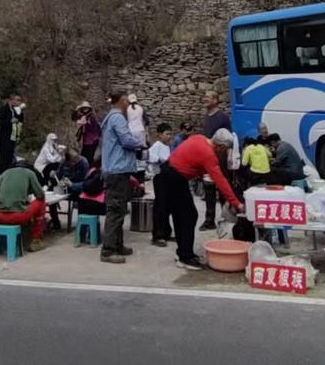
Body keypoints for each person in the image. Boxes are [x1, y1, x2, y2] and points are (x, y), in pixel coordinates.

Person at [155, 129, 242, 271]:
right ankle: (185, 257)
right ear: (220, 146)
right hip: (174, 178)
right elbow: (221, 181)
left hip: (169, 173)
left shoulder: (199, 138)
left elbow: (190, 158)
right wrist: (236, 203)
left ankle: (183, 252)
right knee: (187, 216)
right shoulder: (209, 155)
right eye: (225, 149)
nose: (223, 152)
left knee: (182, 216)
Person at [100, 89, 146, 264]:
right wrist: (141, 144)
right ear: (120, 101)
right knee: (115, 210)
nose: (128, 105)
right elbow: (126, 140)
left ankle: (118, 245)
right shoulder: (118, 118)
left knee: (119, 210)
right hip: (117, 170)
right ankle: (108, 250)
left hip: (117, 169)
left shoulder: (110, 118)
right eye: (126, 101)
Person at [0, 154, 47, 251]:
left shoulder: (5, 173)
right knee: (41, 203)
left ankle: (0, 241)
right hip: (17, 216)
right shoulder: (30, 173)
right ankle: (36, 240)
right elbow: (40, 195)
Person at [199, 91, 232, 230]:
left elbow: (228, 139)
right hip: (207, 157)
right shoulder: (207, 116)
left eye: (208, 97)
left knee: (223, 188)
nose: (205, 99)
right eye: (205, 96)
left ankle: (226, 218)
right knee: (208, 188)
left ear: (215, 100)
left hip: (220, 158)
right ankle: (209, 220)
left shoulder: (222, 117)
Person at [0, 93, 24, 171]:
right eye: (17, 100)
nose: (19, 102)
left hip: (13, 136)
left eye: (20, 101)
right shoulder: (3, 110)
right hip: (5, 137)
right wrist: (10, 121)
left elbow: (20, 121)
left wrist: (20, 112)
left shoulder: (15, 111)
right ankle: (1, 173)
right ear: (11, 100)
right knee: (4, 157)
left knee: (11, 157)